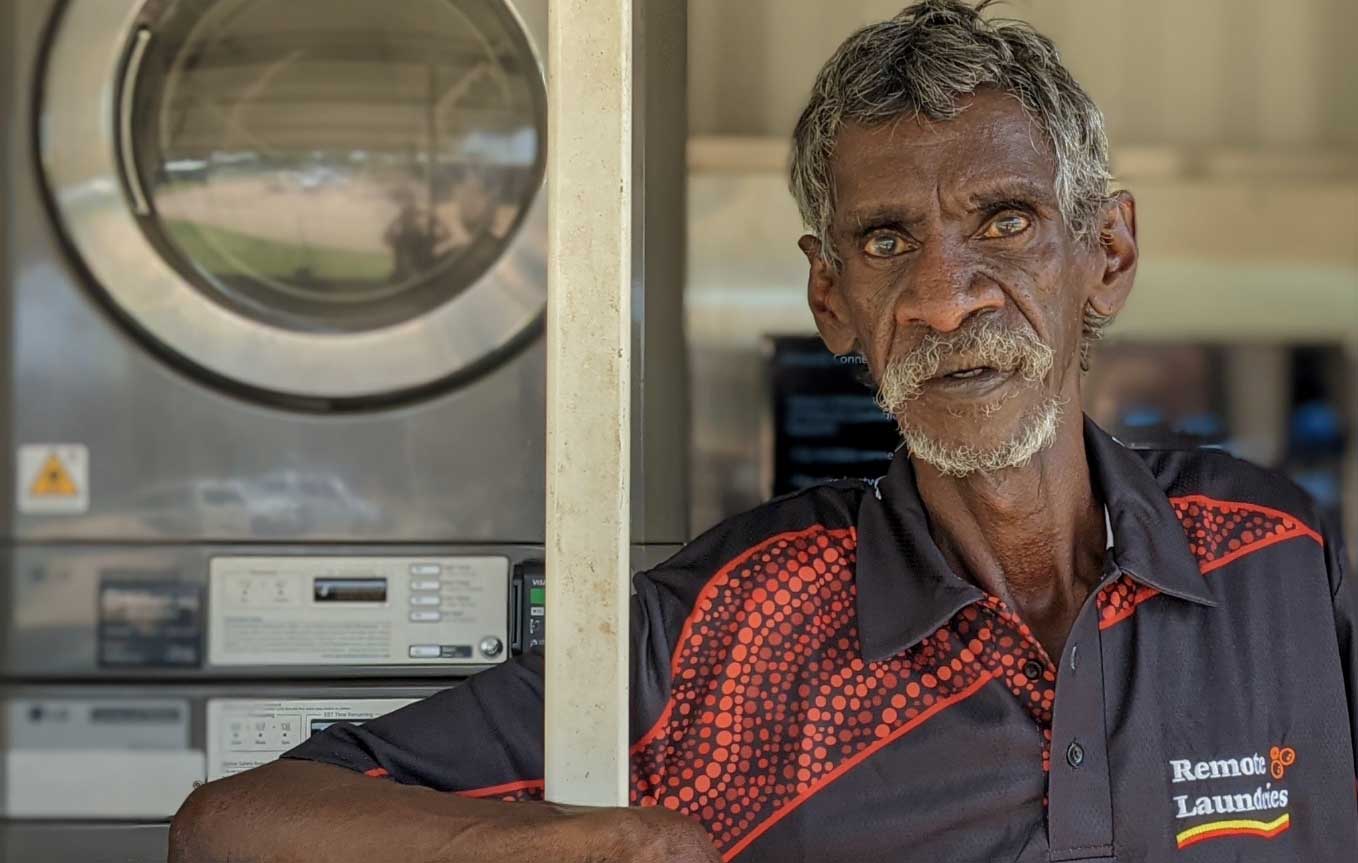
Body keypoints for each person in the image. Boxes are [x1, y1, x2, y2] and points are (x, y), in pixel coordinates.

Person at [170, 2, 1357, 861]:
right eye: (886, 241)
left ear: (1106, 255)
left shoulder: (1279, 557)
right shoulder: (724, 625)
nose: (944, 297)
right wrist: (584, 843)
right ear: (829, 297)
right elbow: (235, 824)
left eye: (1003, 220)